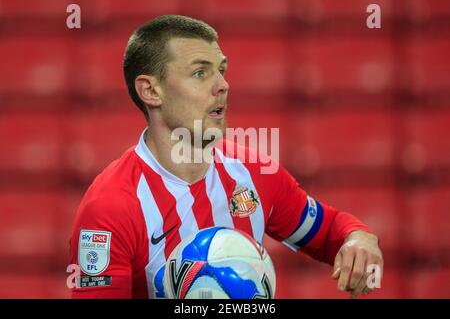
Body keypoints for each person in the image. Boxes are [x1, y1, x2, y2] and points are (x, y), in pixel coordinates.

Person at [69, 15, 383, 299]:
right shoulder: (109, 209)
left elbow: (329, 232)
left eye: (221, 70)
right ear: (151, 91)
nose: (223, 86)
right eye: (200, 73)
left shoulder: (254, 173)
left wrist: (359, 239)